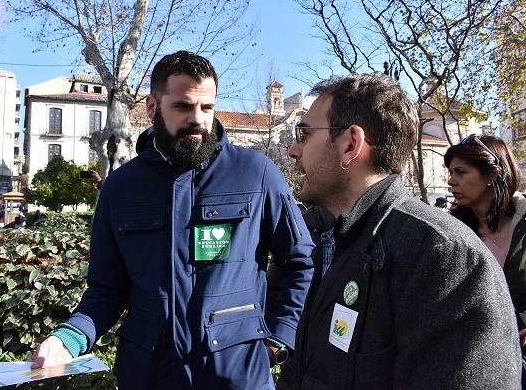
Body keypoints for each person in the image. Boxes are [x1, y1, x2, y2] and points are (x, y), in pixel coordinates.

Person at [31, 51, 314, 389]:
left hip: (238, 377)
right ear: (152, 107)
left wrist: (279, 339)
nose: (198, 119)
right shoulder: (119, 190)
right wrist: (69, 338)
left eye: (207, 108)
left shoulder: (257, 174)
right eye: (183, 106)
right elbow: (106, 290)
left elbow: (301, 262)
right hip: (149, 375)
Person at [279, 73, 521, 389]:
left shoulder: (445, 256)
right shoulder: (339, 239)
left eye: (305, 134)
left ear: (351, 143)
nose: (293, 151)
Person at [444, 134, 526, 383]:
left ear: (491, 174)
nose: (450, 181)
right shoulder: (450, 232)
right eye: (450, 172)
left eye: (461, 172)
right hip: (478, 360)